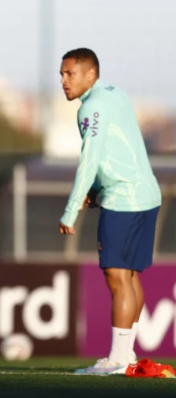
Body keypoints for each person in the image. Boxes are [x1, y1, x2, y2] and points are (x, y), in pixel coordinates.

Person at [58, 48, 161, 375]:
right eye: (61, 74)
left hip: (124, 200)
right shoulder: (115, 93)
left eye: (70, 74)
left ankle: (117, 359)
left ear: (90, 74)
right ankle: (126, 356)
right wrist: (94, 190)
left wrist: (71, 209)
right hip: (147, 194)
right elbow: (116, 149)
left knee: (117, 278)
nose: (64, 81)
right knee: (128, 277)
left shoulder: (92, 106)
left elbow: (90, 159)